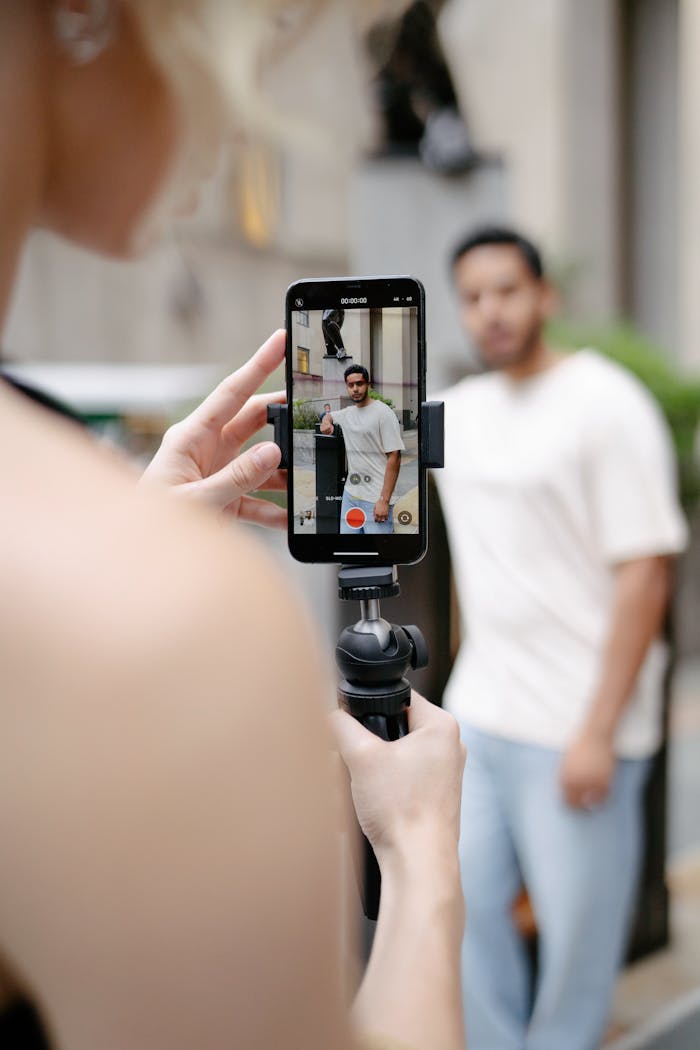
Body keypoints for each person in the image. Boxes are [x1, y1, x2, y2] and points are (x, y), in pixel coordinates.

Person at [0, 4, 466, 1050]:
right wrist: (424, 852)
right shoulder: (168, 631)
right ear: (89, 16)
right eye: (262, 25)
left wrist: (118, 532)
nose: (250, 101)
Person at [435, 225, 687, 1050]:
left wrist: (598, 732)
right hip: (480, 716)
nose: (490, 312)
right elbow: (359, 453)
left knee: (577, 961)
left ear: (545, 296)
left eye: (507, 291)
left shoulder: (606, 405)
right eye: (472, 297)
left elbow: (646, 572)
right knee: (459, 923)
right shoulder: (462, 415)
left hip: (579, 732)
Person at [321, 365, 404, 533]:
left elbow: (394, 456)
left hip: (375, 499)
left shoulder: (383, 412)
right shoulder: (348, 413)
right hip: (351, 496)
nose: (355, 389)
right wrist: (326, 421)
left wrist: (384, 500)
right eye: (351, 385)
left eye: (359, 384)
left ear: (368, 384)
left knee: (378, 556)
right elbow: (329, 415)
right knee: (349, 553)